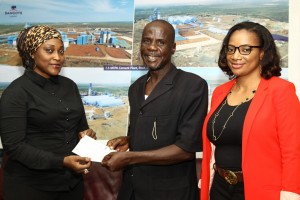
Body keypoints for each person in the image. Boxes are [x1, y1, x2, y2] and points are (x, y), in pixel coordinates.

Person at [101, 19, 208, 200]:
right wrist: (129, 140)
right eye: (147, 41)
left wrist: (129, 158)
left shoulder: (192, 86)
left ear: (173, 48)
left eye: (161, 42)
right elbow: (155, 131)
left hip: (169, 192)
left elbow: (186, 149)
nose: (152, 47)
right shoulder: (136, 88)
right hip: (131, 191)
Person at [200, 21, 300, 200]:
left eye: (245, 49)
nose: (236, 56)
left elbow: (293, 151)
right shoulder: (220, 92)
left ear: (262, 53)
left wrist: (290, 192)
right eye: (231, 49)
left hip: (260, 190)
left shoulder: (281, 91)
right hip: (219, 188)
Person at [0, 25, 97, 200]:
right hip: (31, 187)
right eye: (49, 51)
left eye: (61, 51)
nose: (57, 57)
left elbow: (81, 128)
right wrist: (62, 162)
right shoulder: (16, 93)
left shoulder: (70, 86)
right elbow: (14, 147)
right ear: (31, 53)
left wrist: (87, 135)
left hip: (71, 185)